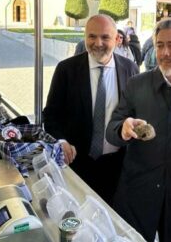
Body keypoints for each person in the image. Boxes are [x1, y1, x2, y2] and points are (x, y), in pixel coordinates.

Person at [106, 19, 171, 242]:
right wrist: (123, 129)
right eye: (160, 45)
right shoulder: (137, 84)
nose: (165, 52)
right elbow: (111, 129)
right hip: (138, 191)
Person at [43, 14, 139, 205]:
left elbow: (136, 113)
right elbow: (51, 115)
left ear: (117, 39)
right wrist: (60, 141)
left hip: (116, 167)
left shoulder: (131, 70)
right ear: (85, 37)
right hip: (76, 164)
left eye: (105, 37)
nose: (98, 43)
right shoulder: (66, 70)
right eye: (92, 37)